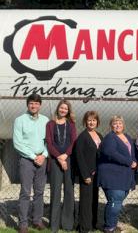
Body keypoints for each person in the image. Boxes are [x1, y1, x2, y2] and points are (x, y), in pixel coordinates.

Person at [13, 94, 49, 233]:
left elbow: (48, 141)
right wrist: (34, 156)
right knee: (25, 193)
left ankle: (37, 220)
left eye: (36, 103)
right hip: (27, 161)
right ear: (27, 105)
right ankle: (23, 224)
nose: (34, 106)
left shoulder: (45, 120)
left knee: (39, 192)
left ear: (40, 105)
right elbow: (17, 143)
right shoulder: (19, 120)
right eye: (31, 103)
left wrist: (44, 155)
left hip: (42, 160)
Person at [97, 116, 137, 233]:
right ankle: (109, 227)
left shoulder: (128, 137)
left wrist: (135, 162)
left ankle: (112, 225)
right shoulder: (110, 138)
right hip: (112, 175)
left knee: (117, 201)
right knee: (115, 201)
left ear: (123, 125)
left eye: (120, 123)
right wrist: (130, 162)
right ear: (111, 125)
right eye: (115, 123)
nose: (117, 125)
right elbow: (111, 153)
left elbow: (132, 153)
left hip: (124, 176)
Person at [45, 100, 77, 232]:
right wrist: (59, 157)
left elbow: (73, 142)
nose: (63, 110)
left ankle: (68, 224)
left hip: (68, 160)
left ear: (68, 111)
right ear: (58, 109)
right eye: (61, 108)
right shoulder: (50, 124)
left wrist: (65, 156)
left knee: (69, 192)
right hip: (54, 160)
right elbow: (49, 143)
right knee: (55, 192)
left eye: (66, 109)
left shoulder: (71, 125)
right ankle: (54, 225)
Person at [75, 111, 103, 233]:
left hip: (97, 174)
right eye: (89, 120)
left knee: (94, 199)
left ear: (97, 122)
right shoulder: (82, 137)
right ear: (85, 122)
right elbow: (79, 157)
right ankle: (84, 227)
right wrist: (85, 175)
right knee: (86, 201)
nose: (92, 122)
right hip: (87, 175)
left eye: (94, 120)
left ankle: (93, 223)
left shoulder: (99, 135)